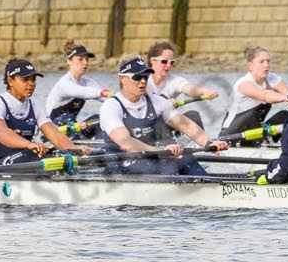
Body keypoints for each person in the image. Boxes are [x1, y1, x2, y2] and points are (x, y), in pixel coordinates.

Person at [96, 55, 227, 175]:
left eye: (146, 76)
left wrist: (208, 143)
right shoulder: (111, 107)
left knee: (185, 157)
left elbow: (186, 126)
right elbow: (126, 143)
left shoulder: (157, 101)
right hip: (120, 164)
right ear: (122, 79)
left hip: (150, 156)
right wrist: (161, 150)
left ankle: (207, 187)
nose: (143, 81)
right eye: (137, 77)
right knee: (167, 162)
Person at [0, 57, 83, 165]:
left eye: (33, 79)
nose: (31, 84)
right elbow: (0, 133)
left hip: (26, 162)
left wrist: (75, 150)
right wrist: (29, 145)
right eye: (25, 80)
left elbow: (54, 135)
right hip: (0, 166)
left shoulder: (35, 106)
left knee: (62, 157)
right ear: (10, 81)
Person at [218, 46, 288, 139]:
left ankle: (269, 141)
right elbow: (265, 96)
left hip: (255, 131)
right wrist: (286, 98)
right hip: (231, 135)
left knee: (284, 115)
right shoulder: (244, 84)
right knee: (252, 115)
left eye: (268, 61)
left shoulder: (272, 78)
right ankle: (264, 143)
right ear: (250, 66)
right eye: (261, 62)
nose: (266, 65)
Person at [42, 44, 108, 132]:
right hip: (52, 132)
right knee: (70, 119)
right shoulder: (64, 83)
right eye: (80, 59)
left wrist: (121, 102)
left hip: (70, 128)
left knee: (99, 119)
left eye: (87, 59)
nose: (85, 62)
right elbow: (82, 91)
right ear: (69, 61)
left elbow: (106, 99)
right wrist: (102, 92)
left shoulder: (87, 82)